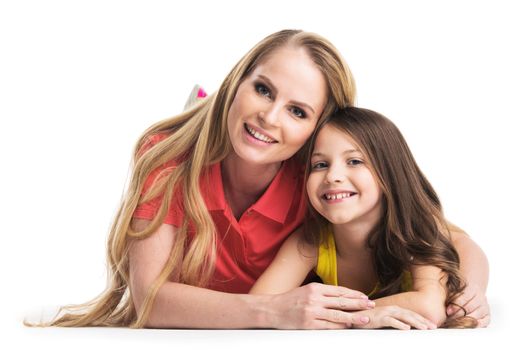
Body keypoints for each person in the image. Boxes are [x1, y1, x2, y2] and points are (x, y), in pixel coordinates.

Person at [37, 29, 489, 329]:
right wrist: (274, 311)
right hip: (229, 307)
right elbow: (149, 301)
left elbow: (440, 234)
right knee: (198, 136)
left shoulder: (318, 178)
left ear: (317, 129)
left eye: (297, 111)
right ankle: (204, 106)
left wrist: (468, 291)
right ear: (238, 80)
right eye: (262, 89)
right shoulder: (166, 159)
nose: (270, 117)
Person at [250, 107, 486, 329]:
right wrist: (366, 317)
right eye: (320, 164)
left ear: (390, 172)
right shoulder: (310, 242)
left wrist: (353, 317)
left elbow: (429, 306)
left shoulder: (416, 231)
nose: (333, 176)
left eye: (354, 161)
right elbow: (258, 307)